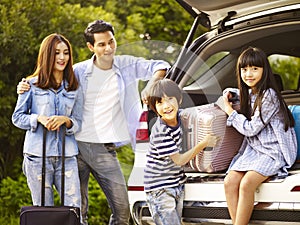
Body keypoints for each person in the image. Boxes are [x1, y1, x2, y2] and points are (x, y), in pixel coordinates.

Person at [17, 20, 170, 225]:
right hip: (74, 149)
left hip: (104, 150)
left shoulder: (127, 65)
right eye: (101, 44)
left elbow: (162, 65)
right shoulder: (77, 72)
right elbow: (48, 85)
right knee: (77, 213)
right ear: (91, 47)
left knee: (123, 210)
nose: (108, 48)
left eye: (111, 42)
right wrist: (24, 86)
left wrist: (152, 87)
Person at [220, 46, 297, 225]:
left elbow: (251, 129)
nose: (249, 74)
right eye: (244, 69)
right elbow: (238, 92)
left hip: (273, 150)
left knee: (247, 184)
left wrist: (231, 113)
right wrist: (228, 93)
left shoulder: (269, 95)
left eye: (255, 69)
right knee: (230, 181)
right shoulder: (249, 93)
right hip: (254, 150)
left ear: (265, 71)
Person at [12, 34, 83, 214]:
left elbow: (79, 122)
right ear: (47, 55)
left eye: (66, 53)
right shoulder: (30, 85)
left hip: (67, 157)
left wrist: (66, 121)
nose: (62, 57)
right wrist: (38, 118)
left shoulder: (74, 86)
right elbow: (17, 117)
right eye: (56, 53)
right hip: (36, 157)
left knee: (75, 211)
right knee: (44, 213)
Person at [144, 79, 218, 225]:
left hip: (177, 182)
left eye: (170, 99)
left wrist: (222, 103)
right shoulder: (161, 130)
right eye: (160, 103)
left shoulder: (182, 116)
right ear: (154, 107)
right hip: (160, 188)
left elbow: (202, 112)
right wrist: (204, 144)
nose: (166, 106)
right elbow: (179, 160)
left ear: (179, 99)